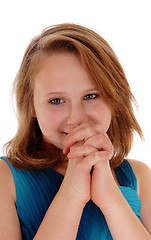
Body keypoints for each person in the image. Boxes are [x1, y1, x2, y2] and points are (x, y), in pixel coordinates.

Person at [0, 23, 151, 240]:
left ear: (113, 97)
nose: (76, 118)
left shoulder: (140, 176)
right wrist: (72, 195)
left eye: (91, 96)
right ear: (31, 106)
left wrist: (110, 197)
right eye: (56, 100)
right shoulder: (5, 178)